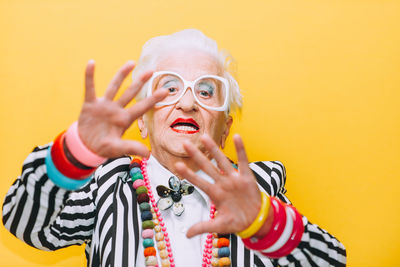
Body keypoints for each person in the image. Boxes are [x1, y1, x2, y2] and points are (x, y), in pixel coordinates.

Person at [2, 29, 346, 267]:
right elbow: (23, 223)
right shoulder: (106, 186)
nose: (187, 103)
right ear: (142, 120)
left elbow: (332, 260)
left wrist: (263, 221)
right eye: (169, 88)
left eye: (206, 91)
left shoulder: (257, 187)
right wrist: (75, 152)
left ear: (224, 129)